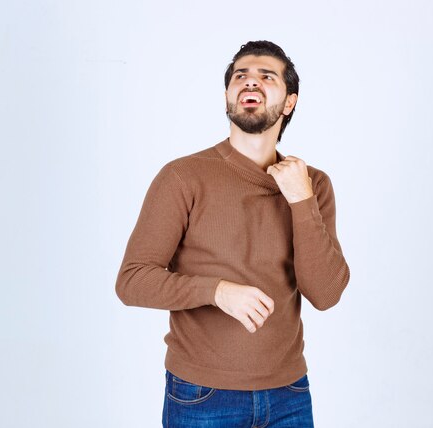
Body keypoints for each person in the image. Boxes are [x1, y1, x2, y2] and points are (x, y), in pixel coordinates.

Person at [115, 40, 350, 427]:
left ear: (289, 102)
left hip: (290, 393)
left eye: (266, 76)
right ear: (228, 95)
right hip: (202, 396)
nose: (250, 82)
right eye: (240, 76)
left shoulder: (312, 184)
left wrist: (301, 202)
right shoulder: (183, 177)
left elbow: (325, 294)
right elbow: (132, 281)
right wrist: (216, 291)